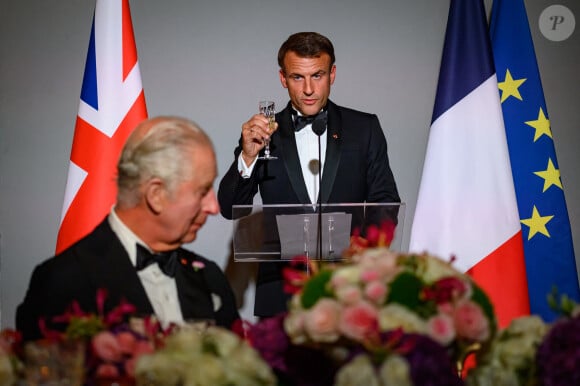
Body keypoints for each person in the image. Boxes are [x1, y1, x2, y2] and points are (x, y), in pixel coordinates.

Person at [218, 32, 400, 318]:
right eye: (297, 77)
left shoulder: (364, 128)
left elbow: (385, 201)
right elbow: (229, 208)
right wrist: (248, 156)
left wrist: (364, 252)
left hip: (350, 290)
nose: (309, 89)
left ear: (333, 74)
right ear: (283, 78)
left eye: (318, 75)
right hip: (280, 293)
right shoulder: (262, 133)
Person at [17, 116, 240, 341]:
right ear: (156, 195)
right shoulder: (65, 281)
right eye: (202, 191)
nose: (213, 207)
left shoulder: (209, 278)